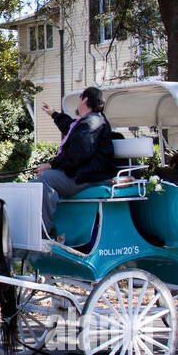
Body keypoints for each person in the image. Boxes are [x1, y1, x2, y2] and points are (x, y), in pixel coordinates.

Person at [33, 86, 117, 240]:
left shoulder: (93, 123)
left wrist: (51, 164)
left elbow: (79, 153)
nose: (78, 103)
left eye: (80, 99)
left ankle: (43, 233)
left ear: (85, 100)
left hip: (90, 177)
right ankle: (32, 227)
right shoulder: (89, 122)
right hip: (82, 174)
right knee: (33, 184)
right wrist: (54, 113)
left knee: (46, 179)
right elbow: (70, 126)